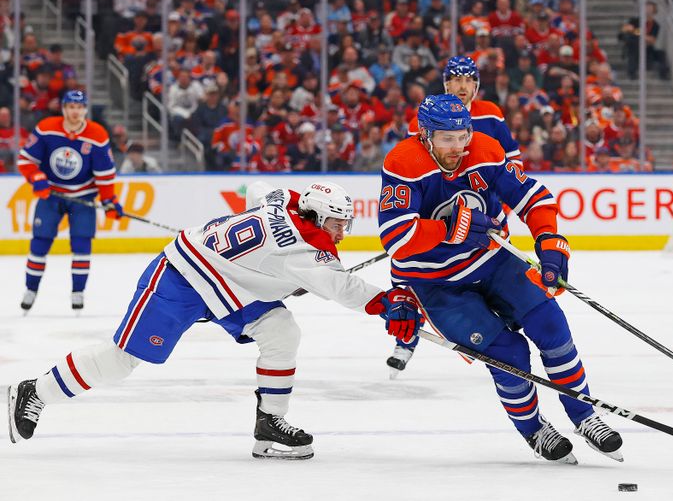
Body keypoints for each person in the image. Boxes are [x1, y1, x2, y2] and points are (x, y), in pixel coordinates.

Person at [7, 181, 422, 461]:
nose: (342, 233)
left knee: (280, 330)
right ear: (314, 217)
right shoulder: (304, 250)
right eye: (336, 224)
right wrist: (388, 303)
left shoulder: (283, 199)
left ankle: (268, 427)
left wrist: (275, 276)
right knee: (122, 360)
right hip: (183, 277)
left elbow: (261, 191)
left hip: (229, 283)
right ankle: (34, 391)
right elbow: (342, 288)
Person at [377, 94, 623, 464]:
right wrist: (449, 229)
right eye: (447, 139)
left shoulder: (486, 150)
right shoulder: (403, 162)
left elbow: (532, 196)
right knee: (509, 354)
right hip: (437, 284)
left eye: (463, 136)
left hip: (494, 262)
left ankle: (584, 414)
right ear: (425, 135)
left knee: (551, 325)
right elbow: (395, 237)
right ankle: (534, 429)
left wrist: (550, 240)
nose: (458, 147)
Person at [393, 56, 523, 372]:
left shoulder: (491, 114)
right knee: (418, 271)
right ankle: (405, 339)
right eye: (456, 80)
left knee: (496, 272)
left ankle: (497, 325)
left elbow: (512, 163)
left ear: (476, 84)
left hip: (483, 214)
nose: (462, 86)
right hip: (442, 216)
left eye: (468, 80)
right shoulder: (422, 121)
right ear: (446, 84)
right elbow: (416, 173)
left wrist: (499, 203)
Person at [16, 90, 124, 313]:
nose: (75, 112)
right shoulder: (47, 127)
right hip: (51, 195)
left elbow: (104, 175)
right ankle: (31, 289)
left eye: (79, 107)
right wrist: (37, 178)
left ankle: (78, 292)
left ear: (85, 110)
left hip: (83, 198)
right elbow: (26, 160)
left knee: (82, 245)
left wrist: (109, 200)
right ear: (64, 108)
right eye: (71, 107)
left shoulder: (97, 134)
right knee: (40, 243)